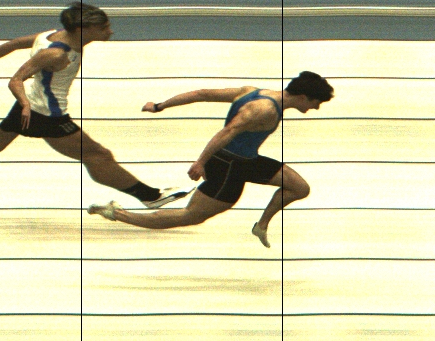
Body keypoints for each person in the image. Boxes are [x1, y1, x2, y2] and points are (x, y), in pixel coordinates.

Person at [0, 2, 189, 208]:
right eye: (103, 28)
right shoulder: (56, 54)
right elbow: (16, 80)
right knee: (98, 156)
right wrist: (24, 104)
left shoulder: (52, 35)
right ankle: (151, 197)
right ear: (83, 30)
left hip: (33, 104)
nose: (110, 31)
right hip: (47, 116)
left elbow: (13, 44)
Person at [87, 72, 335, 247]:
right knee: (191, 216)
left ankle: (261, 225)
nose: (316, 108)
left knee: (299, 188)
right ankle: (116, 212)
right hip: (227, 165)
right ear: (304, 97)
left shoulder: (251, 92)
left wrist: (160, 106)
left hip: (247, 160)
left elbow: (201, 94)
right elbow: (228, 132)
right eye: (317, 103)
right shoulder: (264, 109)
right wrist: (201, 162)